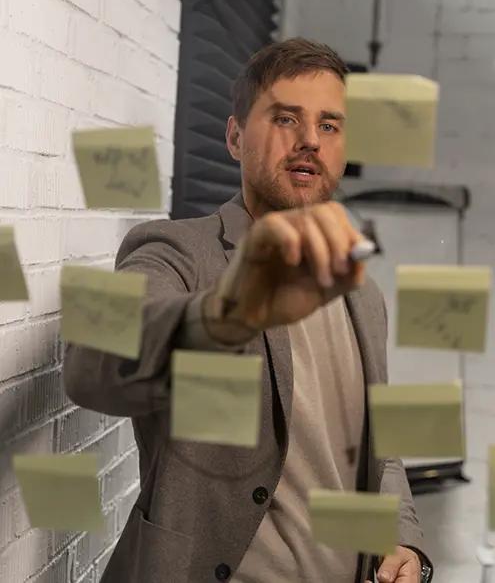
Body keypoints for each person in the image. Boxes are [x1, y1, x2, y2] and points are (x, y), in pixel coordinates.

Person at [64, 38, 433, 583]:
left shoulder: (363, 294)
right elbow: (91, 368)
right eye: (287, 118)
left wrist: (403, 539)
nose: (310, 140)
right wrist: (228, 313)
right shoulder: (177, 251)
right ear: (236, 137)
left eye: (330, 125)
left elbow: (378, 448)